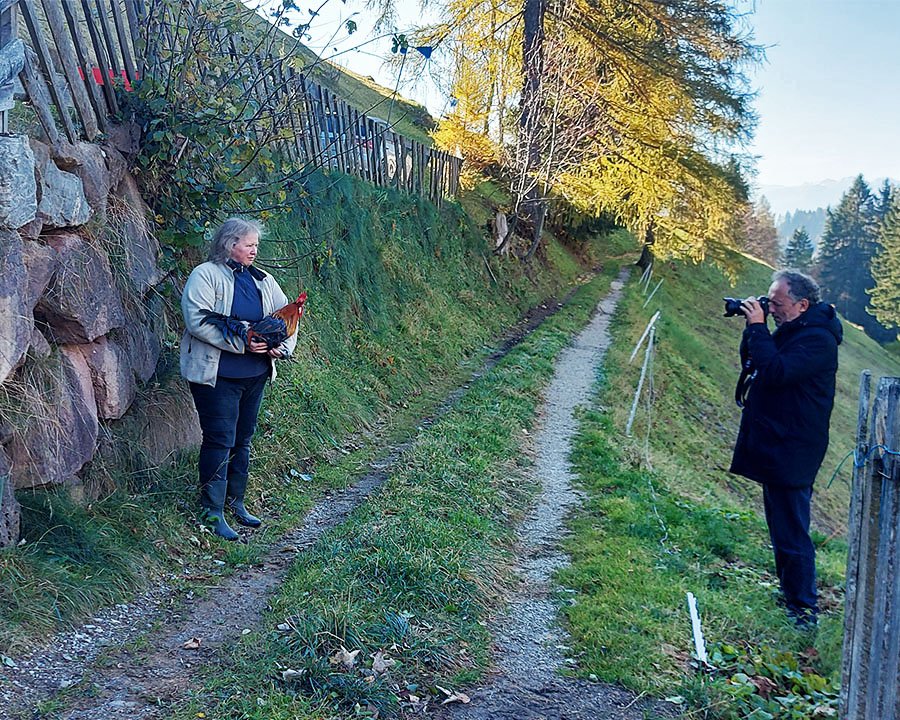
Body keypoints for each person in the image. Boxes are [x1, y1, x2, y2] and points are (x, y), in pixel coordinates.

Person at [730, 270, 842, 627]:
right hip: (781, 443)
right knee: (781, 526)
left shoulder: (818, 341)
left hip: (795, 448)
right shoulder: (795, 330)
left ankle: (803, 611)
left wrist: (759, 327)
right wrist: (755, 329)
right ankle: (792, 598)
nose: (771, 309)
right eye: (769, 302)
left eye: (777, 303)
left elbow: (776, 371)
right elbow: (757, 364)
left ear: (802, 304)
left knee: (792, 530)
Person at [180, 218, 298, 540]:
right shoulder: (205, 275)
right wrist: (243, 339)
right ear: (230, 244)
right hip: (217, 376)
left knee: (243, 439)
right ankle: (212, 511)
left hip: (255, 375)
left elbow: (288, 317)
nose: (254, 250)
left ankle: (237, 503)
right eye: (249, 245)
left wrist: (279, 347)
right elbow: (197, 319)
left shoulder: (263, 280)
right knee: (220, 439)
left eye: (256, 245)